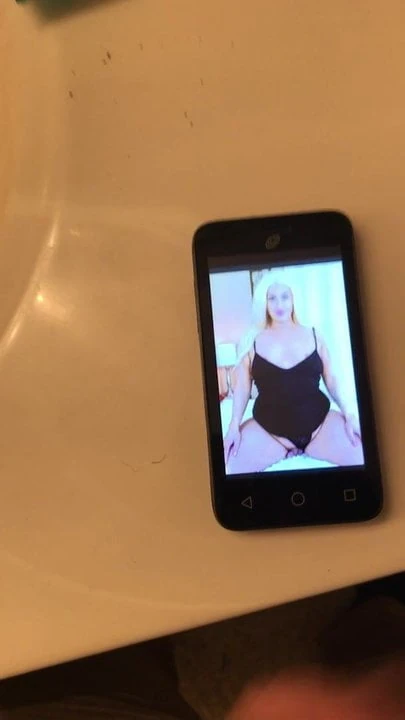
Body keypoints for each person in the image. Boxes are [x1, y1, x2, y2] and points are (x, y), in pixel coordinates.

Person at [224, 271, 363, 473]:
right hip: (270, 433)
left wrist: (350, 414)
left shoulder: (314, 334)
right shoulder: (251, 342)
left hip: (319, 426)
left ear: (293, 299)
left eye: (285, 297)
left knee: (361, 453)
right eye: (272, 298)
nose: (279, 304)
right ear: (264, 303)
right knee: (232, 466)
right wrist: (233, 426)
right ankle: (285, 450)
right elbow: (242, 388)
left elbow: (332, 379)